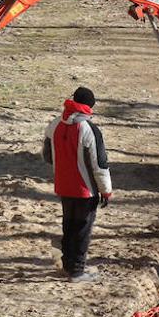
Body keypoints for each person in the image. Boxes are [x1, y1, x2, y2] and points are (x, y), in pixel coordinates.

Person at [42, 86, 112, 282]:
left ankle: (67, 265)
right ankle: (77, 272)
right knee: (82, 230)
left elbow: (47, 156)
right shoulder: (90, 130)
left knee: (68, 226)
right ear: (88, 107)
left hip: (63, 186)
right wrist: (106, 191)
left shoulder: (55, 124)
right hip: (85, 190)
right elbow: (100, 164)